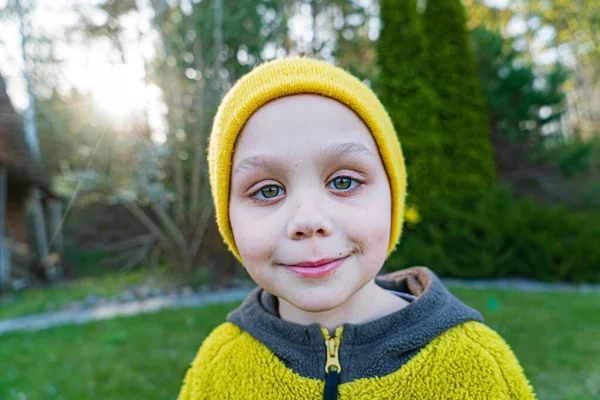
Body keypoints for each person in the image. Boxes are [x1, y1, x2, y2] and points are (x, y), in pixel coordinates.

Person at [177, 57, 537, 399]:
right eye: (268, 191)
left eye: (344, 182)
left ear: (393, 198)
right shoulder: (216, 366)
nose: (308, 220)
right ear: (228, 220)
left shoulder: (478, 366)